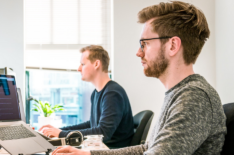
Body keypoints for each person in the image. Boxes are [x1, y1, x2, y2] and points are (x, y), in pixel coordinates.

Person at [52, 1, 227, 155]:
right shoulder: (179, 93)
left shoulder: (194, 97)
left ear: (172, 45)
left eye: (145, 44)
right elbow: (148, 148)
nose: (138, 52)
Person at [39, 45, 135, 148]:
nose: (78, 69)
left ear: (96, 64)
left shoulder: (112, 93)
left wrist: (61, 134)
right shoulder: (96, 93)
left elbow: (103, 133)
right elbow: (92, 124)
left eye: (83, 64)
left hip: (111, 150)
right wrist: (61, 130)